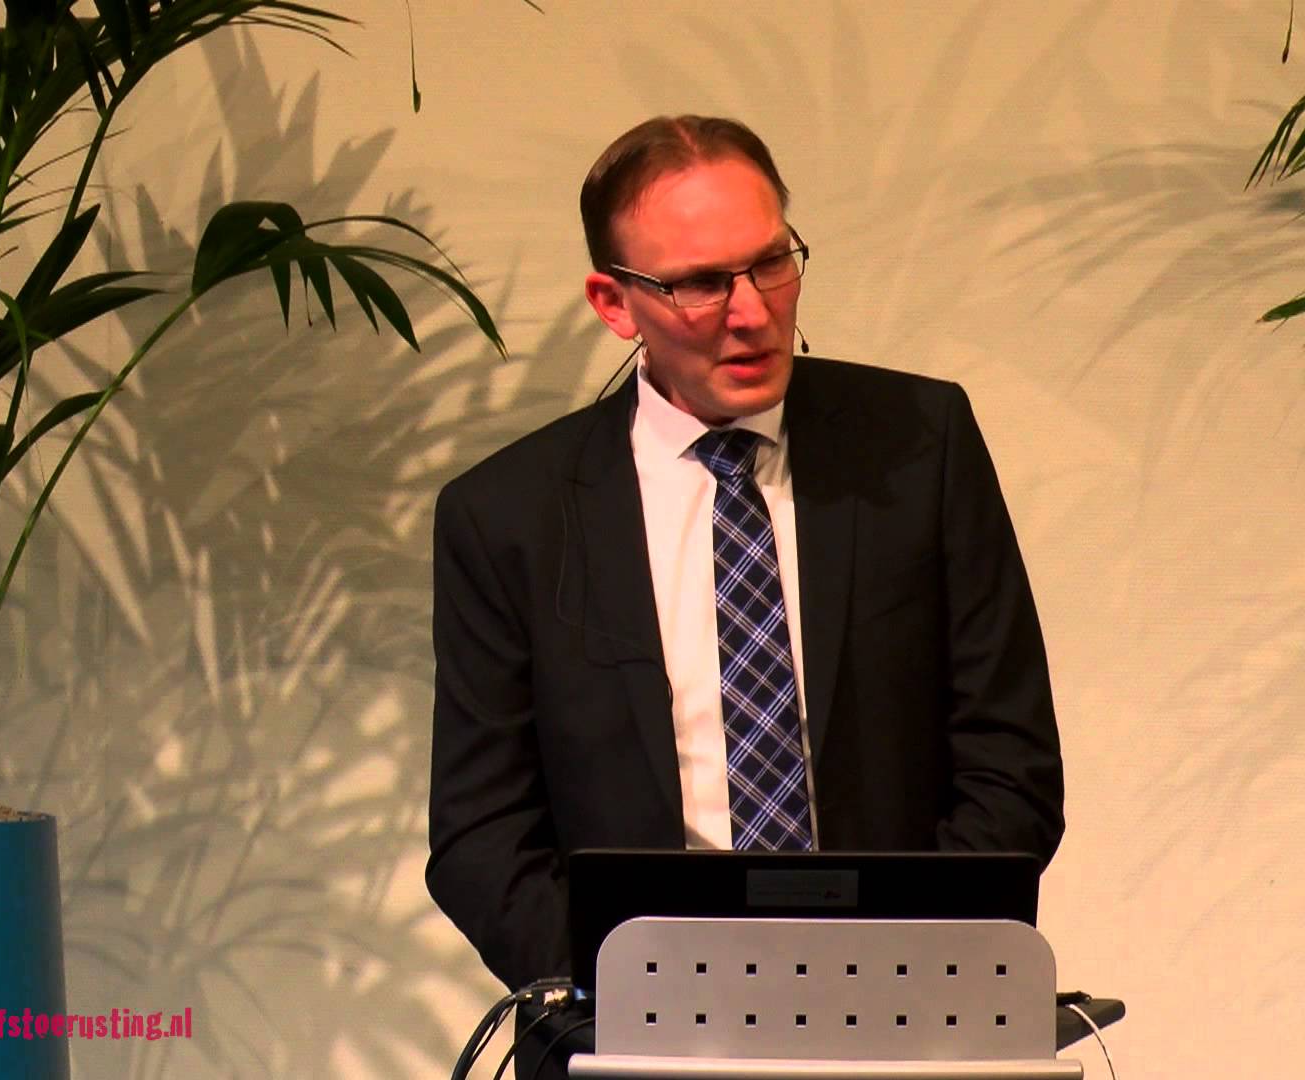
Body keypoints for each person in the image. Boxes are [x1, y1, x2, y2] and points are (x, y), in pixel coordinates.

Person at [427, 115, 1064, 994]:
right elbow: (481, 834)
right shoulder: (509, 515)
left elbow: (1011, 763)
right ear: (615, 304)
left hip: (906, 1005)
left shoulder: (922, 446)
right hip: (629, 1021)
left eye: (771, 263)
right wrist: (639, 993)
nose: (754, 312)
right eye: (701, 283)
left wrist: (895, 968)